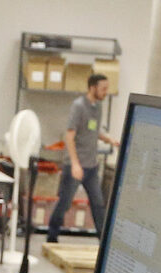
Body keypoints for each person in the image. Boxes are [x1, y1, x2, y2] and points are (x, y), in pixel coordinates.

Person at [45, 73, 119, 242]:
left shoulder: (98, 107)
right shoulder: (78, 106)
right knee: (64, 202)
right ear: (92, 88)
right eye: (103, 89)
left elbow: (93, 130)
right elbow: (69, 136)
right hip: (75, 166)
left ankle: (103, 240)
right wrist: (75, 164)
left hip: (92, 167)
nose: (106, 92)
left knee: (98, 204)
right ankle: (52, 237)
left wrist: (110, 140)